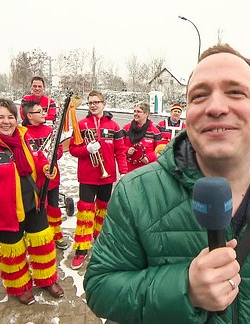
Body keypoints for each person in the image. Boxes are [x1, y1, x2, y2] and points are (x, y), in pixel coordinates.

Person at [84, 44, 250, 323]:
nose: (215, 107)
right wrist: (184, 288)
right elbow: (100, 289)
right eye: (200, 96)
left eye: (235, 92)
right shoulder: (135, 193)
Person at [0, 98, 64, 305]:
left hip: (34, 206)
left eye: (10, 117)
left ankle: (47, 279)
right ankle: (20, 287)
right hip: (5, 215)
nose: (6, 122)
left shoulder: (25, 139)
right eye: (0, 117)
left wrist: (45, 167)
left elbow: (39, 158)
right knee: (13, 255)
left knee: (42, 246)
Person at [67, 90, 128, 270]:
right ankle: (81, 248)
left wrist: (123, 172)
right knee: (85, 213)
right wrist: (87, 149)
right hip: (87, 177)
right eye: (90, 102)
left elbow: (120, 151)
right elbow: (72, 150)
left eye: (96, 102)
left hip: (106, 176)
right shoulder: (82, 125)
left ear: (104, 104)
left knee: (102, 210)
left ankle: (99, 239)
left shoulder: (114, 127)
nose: (93, 105)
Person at [20, 100, 68, 250]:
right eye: (39, 112)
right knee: (39, 210)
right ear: (30, 116)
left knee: (54, 207)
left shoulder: (49, 131)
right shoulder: (23, 133)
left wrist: (53, 156)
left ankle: (56, 234)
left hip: (52, 178)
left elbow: (59, 149)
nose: (44, 114)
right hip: (35, 181)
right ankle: (41, 237)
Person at [122, 102, 163, 172]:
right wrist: (127, 150)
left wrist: (148, 158)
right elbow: (119, 146)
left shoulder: (155, 131)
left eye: (138, 112)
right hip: (129, 169)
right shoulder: (126, 128)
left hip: (147, 169)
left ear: (146, 114)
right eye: (134, 111)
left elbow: (159, 151)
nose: (135, 114)